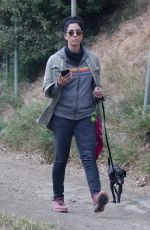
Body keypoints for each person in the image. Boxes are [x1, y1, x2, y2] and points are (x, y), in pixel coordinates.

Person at [37, 16, 109, 213]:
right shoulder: (55, 60)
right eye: (71, 32)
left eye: (78, 32)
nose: (75, 35)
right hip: (62, 116)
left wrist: (99, 93)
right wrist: (58, 84)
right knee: (61, 158)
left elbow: (97, 87)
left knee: (88, 157)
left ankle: (97, 196)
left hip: (86, 115)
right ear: (65, 36)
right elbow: (46, 90)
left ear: (82, 35)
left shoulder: (92, 59)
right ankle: (58, 199)